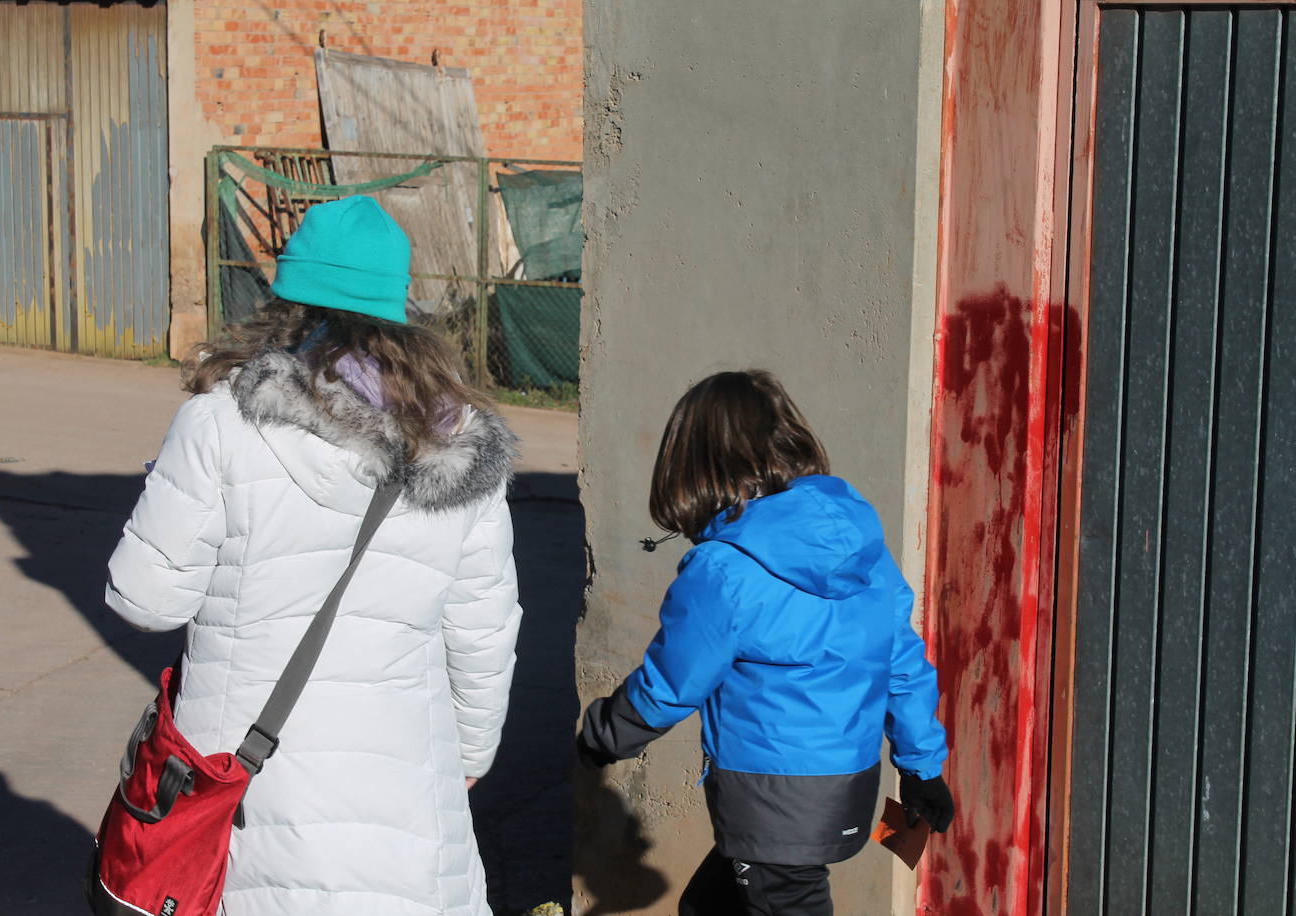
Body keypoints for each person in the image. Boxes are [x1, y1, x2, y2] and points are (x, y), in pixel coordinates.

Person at [104, 196, 522, 915]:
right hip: (408, 803)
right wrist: (470, 758)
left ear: (289, 300)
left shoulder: (221, 422)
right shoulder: (460, 445)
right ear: (399, 308)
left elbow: (147, 598)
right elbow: (484, 634)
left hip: (247, 793)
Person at [576, 370, 953, 916]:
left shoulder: (723, 569)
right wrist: (922, 769)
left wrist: (600, 737)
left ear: (695, 463)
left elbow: (670, 687)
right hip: (841, 790)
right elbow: (901, 664)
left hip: (772, 804)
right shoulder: (861, 545)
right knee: (709, 907)